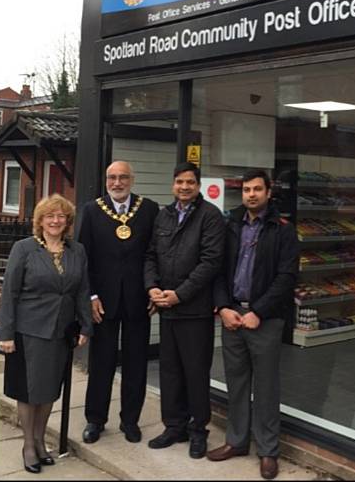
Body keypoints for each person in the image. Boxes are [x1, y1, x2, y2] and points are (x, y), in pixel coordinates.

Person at [207, 169, 299, 480]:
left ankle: (268, 451)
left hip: (265, 320)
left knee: (266, 387)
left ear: (268, 192)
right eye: (247, 189)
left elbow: (287, 278)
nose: (251, 194)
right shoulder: (230, 224)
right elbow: (217, 270)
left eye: (257, 189)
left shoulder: (283, 230)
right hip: (232, 317)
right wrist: (222, 307)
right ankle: (236, 441)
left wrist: (258, 310)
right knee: (236, 384)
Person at [0, 194, 93, 474]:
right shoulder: (23, 248)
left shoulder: (77, 251)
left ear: (68, 222)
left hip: (61, 332)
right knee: (29, 391)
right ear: (40, 221)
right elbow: (9, 292)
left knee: (51, 389)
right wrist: (6, 333)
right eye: (49, 216)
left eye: (61, 216)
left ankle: (41, 441)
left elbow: (82, 291)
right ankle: (28, 444)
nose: (55, 221)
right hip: (29, 331)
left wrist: (85, 325)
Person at [144, 161, 225, 459]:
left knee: (195, 372)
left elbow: (210, 263)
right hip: (167, 308)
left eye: (190, 182)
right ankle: (174, 426)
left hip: (195, 310)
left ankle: (197, 430)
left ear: (198, 185)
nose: (184, 187)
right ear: (173, 184)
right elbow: (150, 254)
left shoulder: (210, 217)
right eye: (179, 182)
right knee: (170, 371)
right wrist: (151, 287)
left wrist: (179, 294)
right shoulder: (163, 217)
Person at [79, 161, 159, 444]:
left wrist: (154, 290)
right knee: (101, 362)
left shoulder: (148, 209)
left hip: (139, 300)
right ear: (106, 180)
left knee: (136, 363)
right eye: (112, 177)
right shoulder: (92, 210)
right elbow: (82, 257)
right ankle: (95, 420)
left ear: (132, 180)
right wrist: (90, 295)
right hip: (103, 302)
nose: (117, 183)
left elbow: (156, 254)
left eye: (123, 177)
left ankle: (130, 421)